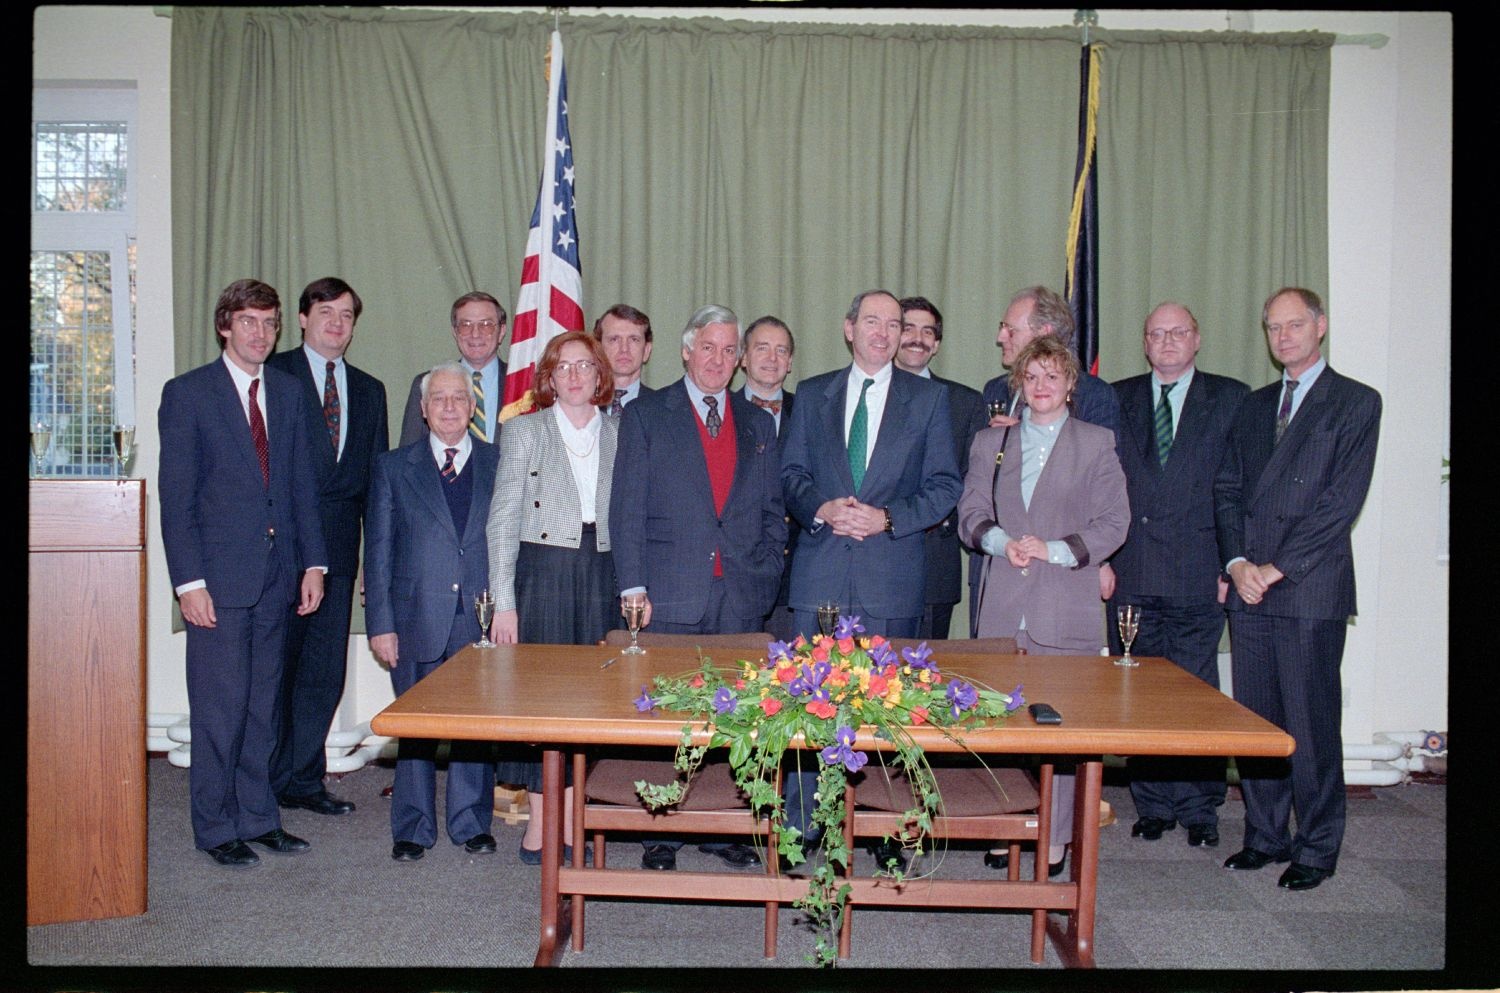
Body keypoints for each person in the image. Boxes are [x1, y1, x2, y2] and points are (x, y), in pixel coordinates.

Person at [779, 288, 962, 845]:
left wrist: (888, 518)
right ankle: (801, 827)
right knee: (805, 708)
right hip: (821, 578)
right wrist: (820, 507)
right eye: (873, 321)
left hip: (890, 580)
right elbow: (790, 476)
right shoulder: (813, 394)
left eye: (895, 324)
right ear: (849, 328)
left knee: (887, 715)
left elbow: (944, 487)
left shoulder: (928, 402)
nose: (885, 332)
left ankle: (886, 829)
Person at [609, 304, 786, 871]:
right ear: (686, 351)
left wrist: (762, 574)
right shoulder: (647, 414)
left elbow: (771, 511)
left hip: (738, 595)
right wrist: (632, 586)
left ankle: (727, 823)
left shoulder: (756, 421)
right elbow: (626, 509)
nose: (718, 359)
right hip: (668, 591)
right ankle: (662, 832)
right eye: (707, 347)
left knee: (733, 715)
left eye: (729, 349)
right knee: (668, 716)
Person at [1215, 287, 1381, 891]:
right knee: (1258, 724)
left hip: (1307, 586)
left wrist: (1274, 568)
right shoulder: (1254, 406)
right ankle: (1264, 835)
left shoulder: (1357, 402)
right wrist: (1237, 564)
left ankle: (1316, 846)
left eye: (1294, 325)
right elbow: (1227, 491)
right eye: (1273, 327)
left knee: (1310, 723)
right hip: (1249, 586)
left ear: (1320, 326)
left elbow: (1340, 505)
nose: (1283, 337)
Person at [158, 278, 326, 868]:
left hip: (278, 578)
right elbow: (176, 502)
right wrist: (189, 584)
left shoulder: (285, 393)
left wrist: (315, 563)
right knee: (219, 710)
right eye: (250, 322)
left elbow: (302, 485)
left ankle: (259, 816)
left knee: (262, 707)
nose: (262, 334)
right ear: (225, 326)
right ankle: (215, 826)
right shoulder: (188, 395)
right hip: (217, 587)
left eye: (271, 323)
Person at [958, 335, 1129, 876]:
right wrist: (999, 543)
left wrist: (1054, 551)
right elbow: (971, 513)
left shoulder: (1097, 442)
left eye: (1052, 377)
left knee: (1063, 734)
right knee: (1000, 728)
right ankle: (1005, 828)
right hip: (1004, 606)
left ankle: (1055, 840)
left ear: (1071, 384)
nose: (1041, 387)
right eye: (1031, 378)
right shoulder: (991, 443)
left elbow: (1113, 523)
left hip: (1066, 604)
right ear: (1019, 384)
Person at [1109, 302, 1248, 849]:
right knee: (1139, 690)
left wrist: (1229, 563)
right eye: (1156, 333)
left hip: (1199, 570)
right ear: (1145, 343)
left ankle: (1200, 805)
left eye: (1178, 332)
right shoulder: (1117, 398)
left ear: (1197, 339)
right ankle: (1153, 802)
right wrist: (1101, 562)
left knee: (1196, 691)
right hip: (1132, 571)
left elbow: (1238, 489)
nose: (1167, 341)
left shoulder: (1232, 398)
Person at [486, 331, 618, 864]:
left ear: (599, 374)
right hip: (543, 575)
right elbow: (501, 523)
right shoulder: (524, 431)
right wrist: (505, 602)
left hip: (602, 575)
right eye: (562, 367)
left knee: (590, 706)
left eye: (584, 365)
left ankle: (573, 822)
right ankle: (541, 828)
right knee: (543, 705)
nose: (574, 376)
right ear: (549, 377)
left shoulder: (620, 431)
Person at [266, 277, 389, 818]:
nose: (336, 324)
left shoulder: (369, 389)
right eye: (325, 312)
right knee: (275, 669)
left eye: (346, 315)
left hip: (340, 551)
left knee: (323, 671)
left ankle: (303, 778)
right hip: (279, 551)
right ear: (301, 318)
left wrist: (372, 562)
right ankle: (263, 781)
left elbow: (376, 484)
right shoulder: (272, 376)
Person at [365, 362, 499, 862]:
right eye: (438, 399)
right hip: (415, 615)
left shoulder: (497, 462)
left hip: (478, 617)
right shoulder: (393, 467)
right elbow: (377, 552)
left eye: (458, 398)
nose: (448, 406)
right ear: (422, 410)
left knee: (474, 728)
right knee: (416, 729)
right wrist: (381, 624)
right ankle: (413, 826)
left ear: (472, 407)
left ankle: (470, 822)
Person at [973, 286, 1122, 635]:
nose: (1001, 336)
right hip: (999, 580)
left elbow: (1105, 499)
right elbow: (977, 495)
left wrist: (1098, 560)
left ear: (1045, 333)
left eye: (1011, 328)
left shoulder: (1095, 398)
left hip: (1062, 585)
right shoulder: (994, 391)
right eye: (1031, 378)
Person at [896, 295, 988, 639]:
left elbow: (973, 480)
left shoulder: (964, 402)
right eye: (907, 328)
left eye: (927, 331)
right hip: (871, 566)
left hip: (935, 563)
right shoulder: (862, 395)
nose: (917, 338)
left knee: (927, 680)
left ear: (936, 344)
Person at [738, 315, 798, 642]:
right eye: (762, 348)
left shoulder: (810, 413)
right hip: (735, 575)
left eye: (781, 350)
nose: (772, 358)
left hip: (793, 580)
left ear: (790, 362)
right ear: (743, 358)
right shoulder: (719, 412)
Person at [398, 291, 507, 446]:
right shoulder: (425, 383)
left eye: (486, 325)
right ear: (455, 332)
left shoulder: (524, 383)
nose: (475, 334)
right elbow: (409, 453)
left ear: (501, 331)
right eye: (466, 325)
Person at [593, 303, 654, 414]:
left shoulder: (662, 410)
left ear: (646, 350)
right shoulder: (582, 405)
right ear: (598, 349)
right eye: (614, 339)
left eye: (634, 339)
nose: (624, 349)